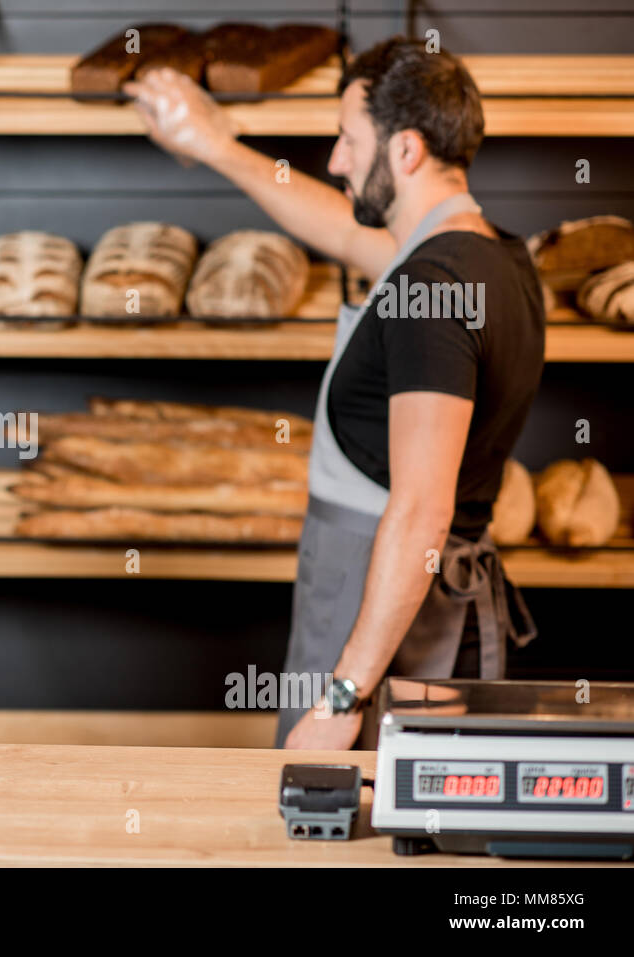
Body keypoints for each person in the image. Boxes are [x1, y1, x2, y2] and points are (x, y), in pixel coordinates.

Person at [126, 38, 542, 749]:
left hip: (389, 627)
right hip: (416, 613)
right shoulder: (491, 256)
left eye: (350, 140)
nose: (337, 160)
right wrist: (214, 142)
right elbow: (341, 230)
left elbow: (420, 512)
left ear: (406, 151)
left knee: (354, 843)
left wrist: (343, 696)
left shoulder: (428, 290)